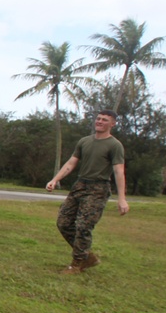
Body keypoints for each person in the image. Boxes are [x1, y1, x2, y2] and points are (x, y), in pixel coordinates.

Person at [46, 110, 129, 274]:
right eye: (98, 119)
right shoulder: (84, 141)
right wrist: (55, 180)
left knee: (84, 226)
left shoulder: (114, 145)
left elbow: (119, 171)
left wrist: (122, 199)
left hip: (98, 189)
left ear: (112, 124)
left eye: (104, 120)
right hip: (80, 185)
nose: (99, 122)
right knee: (63, 222)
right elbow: (71, 163)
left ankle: (77, 264)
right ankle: (87, 256)